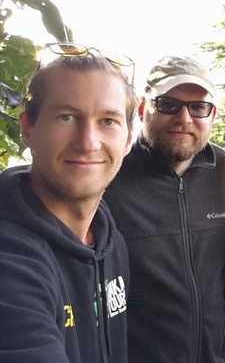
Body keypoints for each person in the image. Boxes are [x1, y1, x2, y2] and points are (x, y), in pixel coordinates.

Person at [0, 44, 138, 363]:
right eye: (66, 117)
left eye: (108, 121)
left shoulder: (110, 242)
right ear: (27, 129)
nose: (88, 142)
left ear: (129, 138)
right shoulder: (10, 261)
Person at [103, 56, 225, 363]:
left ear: (212, 115)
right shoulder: (109, 173)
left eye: (198, 107)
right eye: (168, 104)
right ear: (142, 109)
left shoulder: (220, 167)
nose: (184, 117)